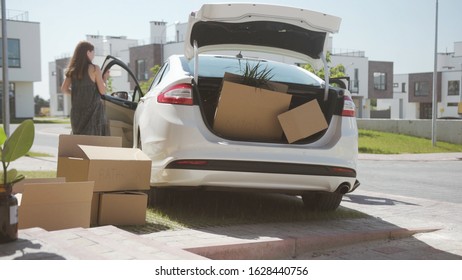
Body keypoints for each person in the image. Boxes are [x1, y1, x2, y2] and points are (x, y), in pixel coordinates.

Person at [61, 41, 110, 136]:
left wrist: (77, 93)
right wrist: (105, 78)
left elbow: (64, 89)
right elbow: (102, 91)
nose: (94, 55)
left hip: (77, 115)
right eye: (93, 52)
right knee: (94, 145)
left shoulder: (72, 70)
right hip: (93, 114)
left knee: (79, 143)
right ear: (88, 52)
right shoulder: (95, 69)